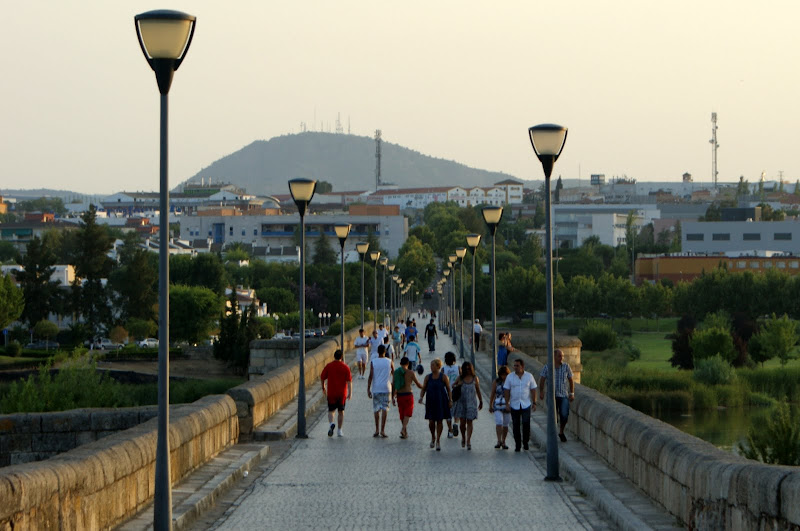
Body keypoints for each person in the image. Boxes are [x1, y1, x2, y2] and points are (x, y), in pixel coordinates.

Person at [538, 349, 575, 442]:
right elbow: (542, 380)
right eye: (559, 356)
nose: (561, 358)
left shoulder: (566, 367)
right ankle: (553, 434)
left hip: (563, 395)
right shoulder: (547, 367)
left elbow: (571, 380)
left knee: (564, 415)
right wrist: (541, 391)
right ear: (554, 357)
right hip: (552, 396)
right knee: (553, 417)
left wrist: (572, 393)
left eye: (562, 356)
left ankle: (561, 431)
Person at [503, 358, 537, 452]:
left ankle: (525, 442)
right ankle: (517, 444)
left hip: (526, 404)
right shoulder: (510, 377)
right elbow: (507, 390)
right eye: (514, 365)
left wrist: (534, 402)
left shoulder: (529, 376)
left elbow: (533, 390)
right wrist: (507, 403)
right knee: (516, 425)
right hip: (514, 404)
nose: (515, 367)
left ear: (522, 366)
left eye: (517, 365)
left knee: (526, 424)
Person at [419, 358, 453, 451]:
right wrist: (421, 397)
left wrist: (450, 400)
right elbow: (424, 388)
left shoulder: (443, 377)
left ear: (438, 366)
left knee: (439, 421)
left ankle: (438, 440)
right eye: (431, 365)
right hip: (430, 401)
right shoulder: (427, 377)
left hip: (441, 401)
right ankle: (433, 436)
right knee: (431, 421)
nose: (431, 367)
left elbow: (449, 389)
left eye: (433, 365)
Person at [320, 349, 352, 437]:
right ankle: (339, 430)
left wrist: (323, 387)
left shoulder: (329, 366)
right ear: (342, 357)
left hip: (331, 392)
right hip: (342, 393)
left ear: (334, 356)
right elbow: (349, 381)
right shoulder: (345, 367)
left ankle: (331, 424)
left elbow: (322, 377)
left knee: (331, 411)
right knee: (341, 412)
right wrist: (350, 393)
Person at [451, 361, 483, 450]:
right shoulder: (460, 378)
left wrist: (480, 401)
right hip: (461, 402)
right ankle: (463, 437)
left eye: (469, 368)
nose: (467, 370)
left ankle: (468, 440)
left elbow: (478, 390)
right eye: (466, 368)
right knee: (462, 423)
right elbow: (453, 386)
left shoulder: (475, 378)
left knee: (470, 422)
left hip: (471, 403)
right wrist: (458, 385)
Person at [392, 356, 423, 439]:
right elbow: (418, 384)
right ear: (408, 364)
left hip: (399, 395)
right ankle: (403, 429)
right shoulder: (411, 373)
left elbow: (393, 384)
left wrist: (392, 397)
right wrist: (425, 387)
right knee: (407, 413)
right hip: (408, 395)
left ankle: (405, 432)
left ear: (400, 363)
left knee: (402, 414)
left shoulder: (396, 372)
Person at [367, 344, 394, 438]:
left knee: (376, 410)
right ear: (385, 351)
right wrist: (394, 386)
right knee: (385, 409)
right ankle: (383, 430)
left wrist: (368, 389)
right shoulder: (389, 361)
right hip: (387, 388)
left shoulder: (373, 362)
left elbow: (370, 376)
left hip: (376, 388)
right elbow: (394, 374)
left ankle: (377, 429)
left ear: (377, 352)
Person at [489, 365, 511, 449]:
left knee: (505, 424)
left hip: (507, 405)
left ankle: (504, 441)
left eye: (505, 374)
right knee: (499, 422)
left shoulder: (510, 382)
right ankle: (499, 440)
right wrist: (490, 405)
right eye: (502, 374)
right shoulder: (496, 382)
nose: (503, 376)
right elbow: (492, 393)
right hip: (498, 404)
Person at [441, 351, 461, 438]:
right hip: (456, 391)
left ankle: (450, 431)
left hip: (446, 392)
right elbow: (461, 379)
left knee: (448, 412)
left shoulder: (443, 369)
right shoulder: (458, 368)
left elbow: (441, 381)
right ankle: (456, 423)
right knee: (457, 410)